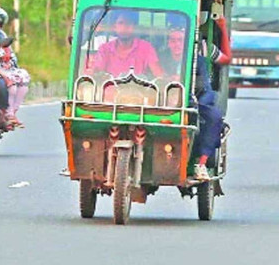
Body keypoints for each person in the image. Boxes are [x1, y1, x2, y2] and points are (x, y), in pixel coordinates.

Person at [164, 15, 231, 181]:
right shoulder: (161, 58)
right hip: (165, 100)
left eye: (180, 40)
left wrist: (223, 27)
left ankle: (200, 164)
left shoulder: (199, 58)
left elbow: (207, 86)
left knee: (214, 117)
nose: (176, 45)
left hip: (194, 100)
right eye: (173, 40)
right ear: (167, 42)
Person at [89, 10, 164, 78]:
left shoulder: (146, 48)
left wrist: (170, 79)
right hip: (110, 92)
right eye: (121, 23)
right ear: (114, 27)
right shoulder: (105, 49)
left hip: (138, 92)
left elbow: (159, 74)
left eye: (129, 23)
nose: (125, 27)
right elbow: (97, 72)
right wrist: (92, 71)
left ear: (134, 27)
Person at [0, 7, 30, 127]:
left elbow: (7, 52)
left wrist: (6, 59)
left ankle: (8, 113)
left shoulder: (0, 35)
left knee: (16, 81)